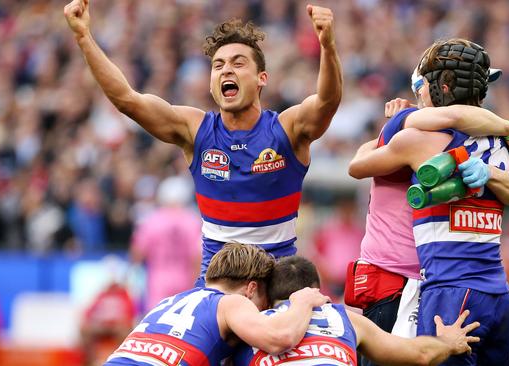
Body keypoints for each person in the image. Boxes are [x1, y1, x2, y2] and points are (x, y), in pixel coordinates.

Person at [63, 0, 343, 286]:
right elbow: (127, 100)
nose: (226, 70)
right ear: (211, 83)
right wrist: (83, 37)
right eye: (218, 65)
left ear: (262, 78)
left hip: (277, 286)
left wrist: (328, 46)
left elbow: (327, 102)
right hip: (215, 288)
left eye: (238, 63)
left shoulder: (287, 130)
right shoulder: (196, 131)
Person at [348, 38, 509, 366]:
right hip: (498, 294)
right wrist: (506, 132)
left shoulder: (414, 136)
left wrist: (393, 124)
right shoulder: (501, 145)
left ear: (437, 87)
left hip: (449, 291)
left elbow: (357, 166)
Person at [104, 243, 329, 366]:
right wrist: (302, 300)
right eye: (264, 302)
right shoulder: (231, 303)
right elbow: (280, 338)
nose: (264, 310)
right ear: (251, 289)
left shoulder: (170, 301)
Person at [234, 256, 480, 366]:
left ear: (266, 299)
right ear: (317, 291)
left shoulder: (251, 326)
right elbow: (421, 355)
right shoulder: (344, 319)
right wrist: (448, 342)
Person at [130, 176, 202, 309]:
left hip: (158, 281)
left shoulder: (152, 219)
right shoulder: (192, 220)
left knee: (156, 323)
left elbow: (138, 253)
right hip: (185, 279)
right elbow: (197, 256)